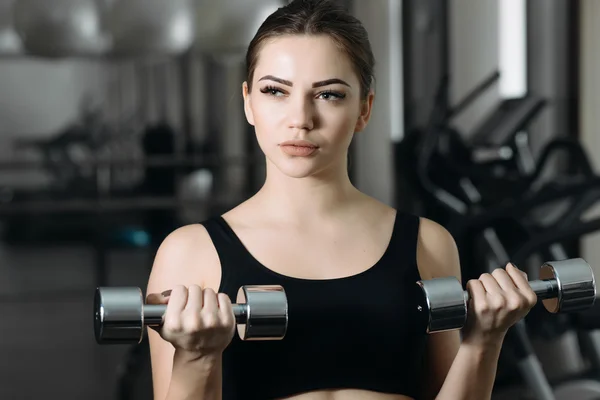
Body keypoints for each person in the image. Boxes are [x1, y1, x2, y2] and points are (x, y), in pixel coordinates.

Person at [145, 0, 538, 399]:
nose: (300, 118)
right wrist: (197, 357)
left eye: (329, 95)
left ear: (364, 109)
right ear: (249, 101)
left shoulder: (427, 244)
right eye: (275, 91)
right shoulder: (188, 252)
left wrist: (484, 341)